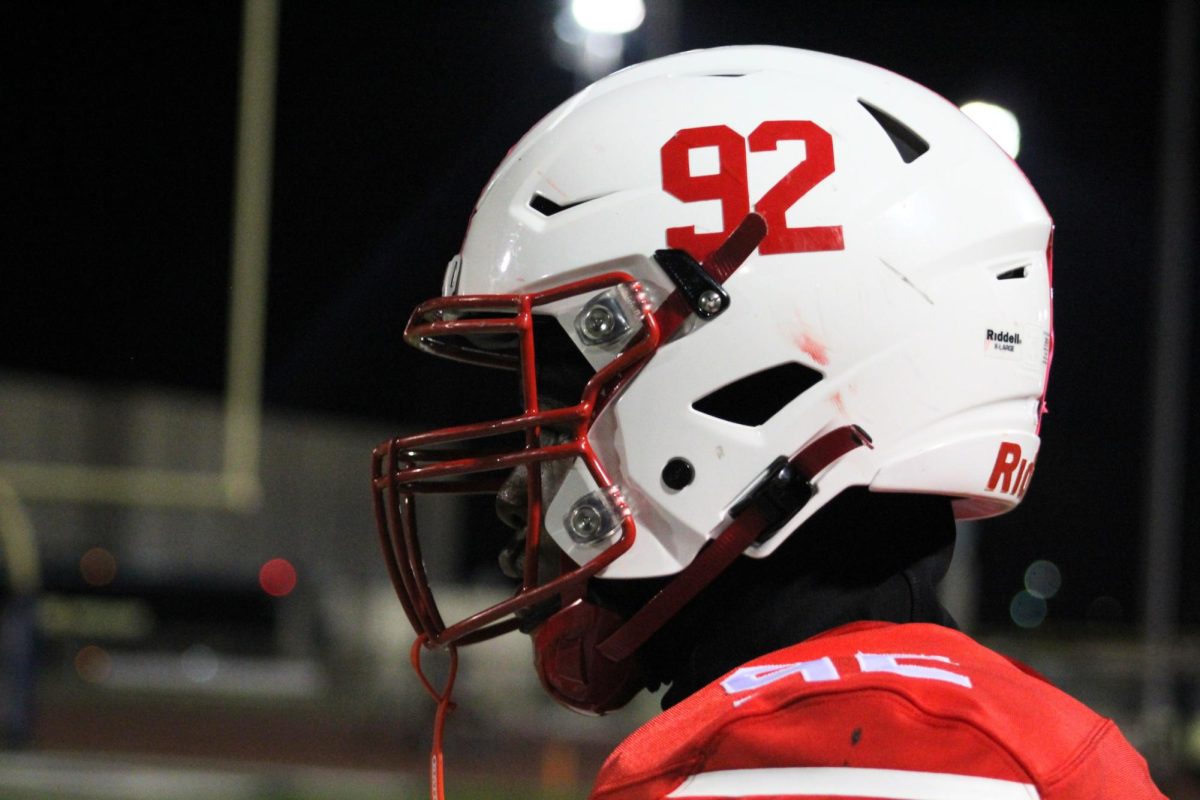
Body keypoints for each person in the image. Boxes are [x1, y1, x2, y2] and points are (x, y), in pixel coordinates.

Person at [371, 46, 1165, 799]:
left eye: (573, 397)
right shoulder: (1065, 752)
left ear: (741, 392)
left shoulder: (767, 765)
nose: (519, 490)